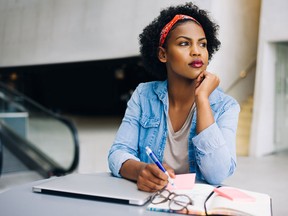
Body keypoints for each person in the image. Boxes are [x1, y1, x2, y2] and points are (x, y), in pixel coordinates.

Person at [108, 2, 240, 192]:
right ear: (163, 54)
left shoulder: (227, 106)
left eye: (202, 44)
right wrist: (140, 170)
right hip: (149, 202)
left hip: (195, 206)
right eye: (184, 43)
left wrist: (202, 99)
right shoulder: (144, 95)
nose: (196, 51)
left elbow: (217, 174)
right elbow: (118, 153)